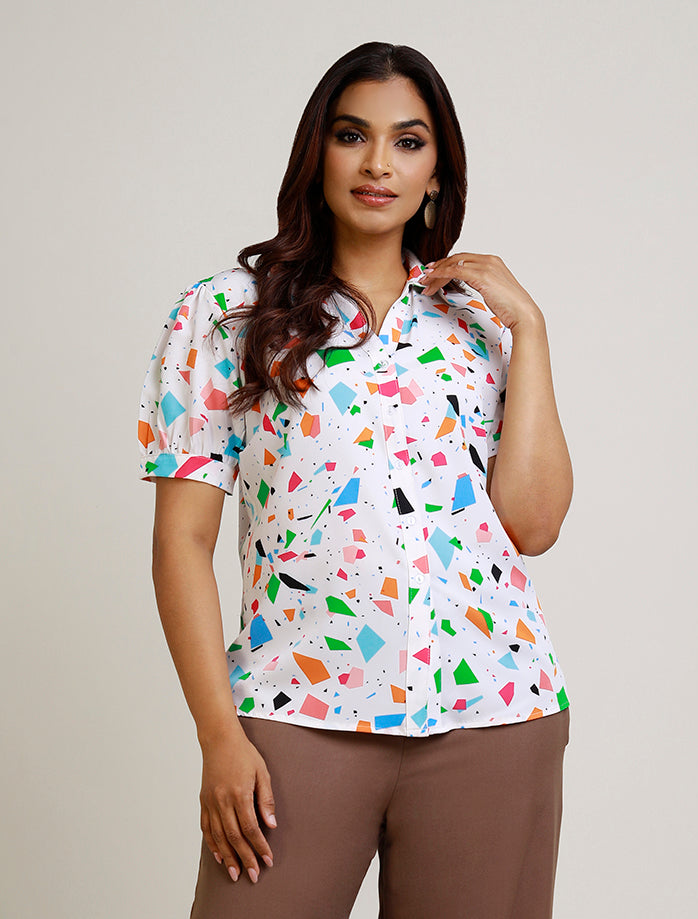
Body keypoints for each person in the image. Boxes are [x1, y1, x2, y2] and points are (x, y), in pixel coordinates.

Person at [137, 41, 573, 919]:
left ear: (437, 173)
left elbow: (532, 524)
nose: (379, 164)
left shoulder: (480, 324)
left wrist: (531, 331)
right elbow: (182, 540)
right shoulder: (226, 315)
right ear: (318, 153)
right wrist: (219, 735)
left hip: (493, 712)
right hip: (295, 712)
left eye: (408, 142)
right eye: (352, 135)